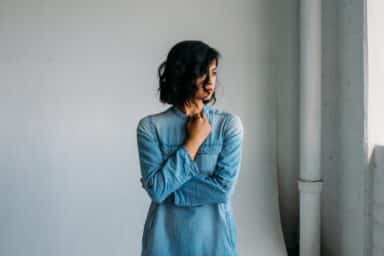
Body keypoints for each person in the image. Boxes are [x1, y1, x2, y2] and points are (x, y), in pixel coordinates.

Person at [136, 40, 244, 256]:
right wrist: (193, 142)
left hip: (215, 242)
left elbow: (222, 190)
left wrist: (164, 189)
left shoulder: (228, 126)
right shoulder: (150, 127)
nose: (210, 80)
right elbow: (158, 190)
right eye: (202, 72)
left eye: (213, 72)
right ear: (181, 74)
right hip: (164, 241)